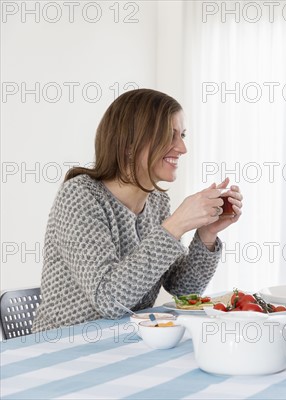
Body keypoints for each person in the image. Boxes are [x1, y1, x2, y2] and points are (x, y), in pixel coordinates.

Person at [33, 89, 243, 332]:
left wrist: (206, 235)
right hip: (63, 347)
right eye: (169, 135)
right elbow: (109, 300)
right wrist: (175, 225)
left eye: (182, 135)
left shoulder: (157, 202)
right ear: (129, 144)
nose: (182, 148)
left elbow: (183, 290)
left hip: (126, 341)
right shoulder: (79, 196)